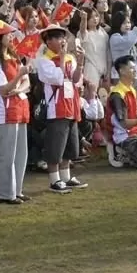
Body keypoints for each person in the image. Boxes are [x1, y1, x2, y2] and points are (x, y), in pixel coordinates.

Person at [0, 20, 32, 204]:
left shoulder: (12, 55)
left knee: (20, 153)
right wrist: (19, 77)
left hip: (19, 107)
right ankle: (5, 192)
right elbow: (3, 89)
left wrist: (18, 87)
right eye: (8, 34)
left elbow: (27, 83)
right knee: (6, 154)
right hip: (5, 111)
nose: (11, 37)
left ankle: (16, 190)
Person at [33, 25, 87, 194]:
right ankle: (54, 180)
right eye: (57, 38)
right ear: (48, 42)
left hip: (71, 105)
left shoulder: (70, 57)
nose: (62, 41)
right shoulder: (44, 61)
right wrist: (62, 59)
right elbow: (58, 78)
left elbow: (76, 80)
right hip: (56, 108)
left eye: (63, 37)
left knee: (71, 146)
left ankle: (66, 177)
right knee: (55, 146)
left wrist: (80, 63)